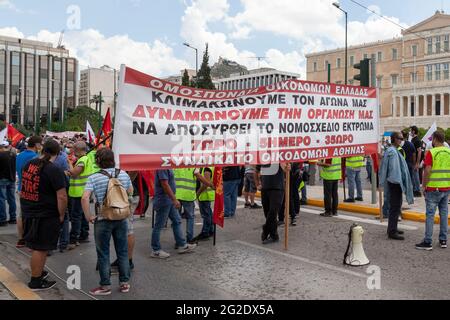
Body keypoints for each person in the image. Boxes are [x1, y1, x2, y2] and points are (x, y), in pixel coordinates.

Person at [81, 148, 133, 295]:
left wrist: (88, 216)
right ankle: (124, 283)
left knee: (103, 253)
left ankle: (105, 286)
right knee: (122, 251)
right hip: (121, 217)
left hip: (103, 218)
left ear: (98, 161)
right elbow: (130, 192)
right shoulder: (123, 174)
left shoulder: (93, 177)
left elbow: (85, 198)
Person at [20, 139, 67, 290]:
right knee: (41, 248)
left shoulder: (29, 164)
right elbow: (62, 196)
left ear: (42, 149)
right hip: (45, 214)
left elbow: (24, 187)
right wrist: (61, 214)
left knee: (36, 247)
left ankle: (38, 272)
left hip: (29, 210)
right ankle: (36, 281)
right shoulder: (54, 170)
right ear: (58, 153)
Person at [151, 169, 197, 259]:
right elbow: (164, 184)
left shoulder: (166, 165)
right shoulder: (162, 167)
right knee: (159, 225)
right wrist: (174, 199)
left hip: (168, 200)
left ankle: (182, 245)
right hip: (164, 200)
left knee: (177, 221)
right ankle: (156, 250)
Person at [416, 131, 449, 250]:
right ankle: (443, 240)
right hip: (446, 188)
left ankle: (428, 241)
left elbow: (427, 171)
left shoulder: (432, 152)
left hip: (433, 188)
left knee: (430, 215)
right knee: (444, 214)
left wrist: (423, 186)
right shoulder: (449, 152)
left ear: (434, 139)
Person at [379, 132, 414, 240]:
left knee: (397, 206)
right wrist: (381, 182)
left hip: (398, 182)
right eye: (399, 138)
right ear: (394, 139)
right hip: (394, 182)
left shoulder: (396, 151)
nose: (401, 140)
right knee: (394, 207)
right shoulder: (390, 151)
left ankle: (393, 228)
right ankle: (392, 231)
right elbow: (384, 167)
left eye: (402, 138)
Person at [15, 136, 42, 247]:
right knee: (33, 214)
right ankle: (32, 238)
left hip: (21, 187)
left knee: (21, 214)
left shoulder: (19, 155)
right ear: (36, 145)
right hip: (32, 189)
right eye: (40, 144)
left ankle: (21, 238)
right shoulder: (36, 158)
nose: (41, 146)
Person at [255, 163, 289, 244]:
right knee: (267, 213)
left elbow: (286, 169)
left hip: (277, 188)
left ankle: (266, 229)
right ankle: (274, 235)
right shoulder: (263, 157)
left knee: (273, 211)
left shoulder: (280, 156)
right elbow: (256, 171)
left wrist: (287, 167)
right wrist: (257, 184)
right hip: (265, 188)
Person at [67, 142, 91, 249]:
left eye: (74, 149)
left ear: (79, 150)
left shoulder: (82, 160)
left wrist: (69, 163)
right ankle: (83, 234)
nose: (72, 151)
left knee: (76, 216)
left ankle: (74, 238)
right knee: (81, 215)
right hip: (83, 191)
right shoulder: (86, 158)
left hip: (78, 192)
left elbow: (74, 173)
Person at [193, 167, 216, 241]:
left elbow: (206, 184)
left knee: (206, 215)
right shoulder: (209, 167)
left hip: (205, 195)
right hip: (206, 194)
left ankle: (205, 232)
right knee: (208, 213)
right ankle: (210, 230)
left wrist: (198, 193)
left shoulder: (207, 168)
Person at [0, 141, 17, 226]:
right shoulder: (13, 155)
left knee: (2, 199)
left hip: (2, 179)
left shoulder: (1, 155)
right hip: (12, 179)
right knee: (12, 199)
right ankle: (13, 218)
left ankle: (2, 219)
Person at [410, 126, 423, 197]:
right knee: (414, 176)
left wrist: (417, 163)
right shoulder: (413, 140)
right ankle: (415, 189)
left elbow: (419, 151)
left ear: (413, 131)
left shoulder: (417, 140)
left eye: (411, 130)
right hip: (413, 161)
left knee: (416, 175)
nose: (410, 132)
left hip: (415, 162)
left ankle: (417, 191)